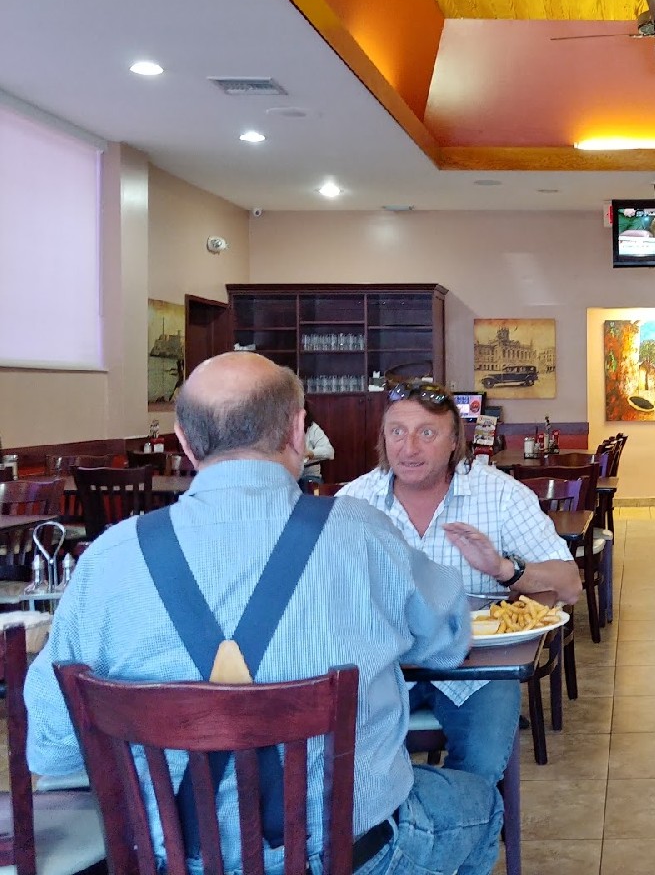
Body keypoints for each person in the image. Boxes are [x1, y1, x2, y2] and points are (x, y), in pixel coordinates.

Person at [25, 352, 503, 875]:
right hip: (353, 857)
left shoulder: (108, 559)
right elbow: (448, 640)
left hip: (167, 861)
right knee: (481, 805)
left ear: (184, 442)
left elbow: (52, 750)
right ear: (298, 430)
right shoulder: (362, 531)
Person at [339, 383, 581, 785]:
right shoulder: (354, 501)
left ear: (455, 441)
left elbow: (570, 585)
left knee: (480, 767)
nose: (409, 448)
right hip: (381, 668)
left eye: (427, 433)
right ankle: (403, 823)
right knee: (342, 769)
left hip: (476, 671)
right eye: (397, 432)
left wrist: (503, 568)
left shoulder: (499, 495)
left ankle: (459, 817)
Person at [302, 403, 334, 484]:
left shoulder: (312, 428)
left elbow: (329, 451)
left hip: (309, 476)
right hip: (286, 477)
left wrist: (310, 453)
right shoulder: (279, 428)